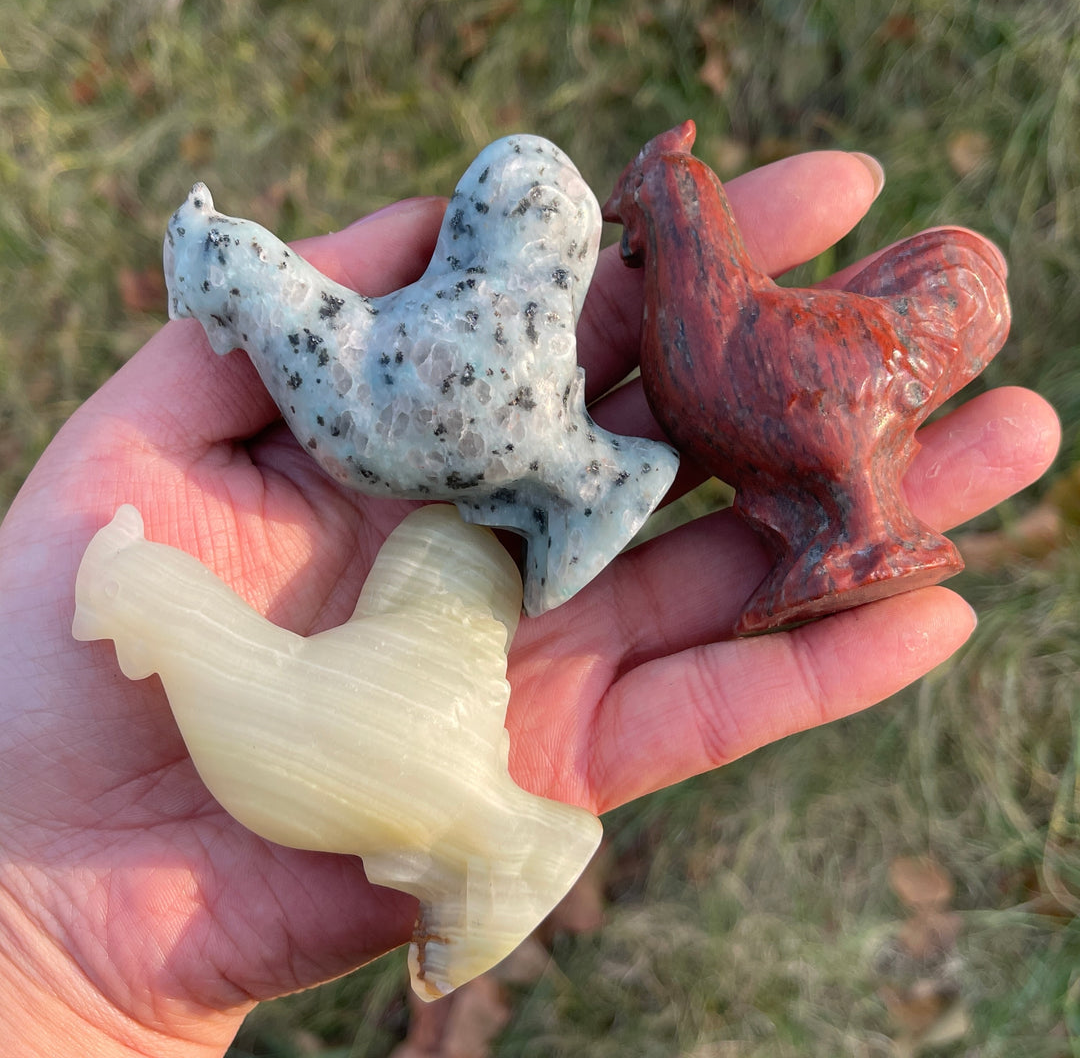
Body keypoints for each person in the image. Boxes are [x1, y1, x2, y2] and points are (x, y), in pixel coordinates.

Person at [0, 148, 1059, 1057]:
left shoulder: (354, 408)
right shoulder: (263, 666)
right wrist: (49, 948)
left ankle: (730, 503)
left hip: (445, 592)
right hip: (424, 632)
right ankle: (645, 499)